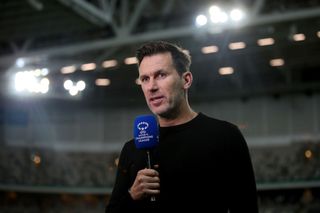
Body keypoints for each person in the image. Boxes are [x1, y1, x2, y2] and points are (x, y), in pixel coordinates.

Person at [105, 41, 259, 212]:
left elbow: (247, 207)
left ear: (186, 80)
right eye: (145, 79)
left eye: (161, 75)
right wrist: (132, 195)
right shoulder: (131, 149)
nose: (152, 87)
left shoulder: (225, 136)